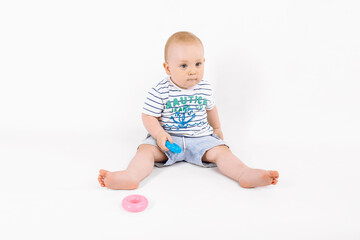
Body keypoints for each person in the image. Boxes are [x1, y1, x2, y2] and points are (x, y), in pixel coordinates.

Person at [98, 31, 279, 190]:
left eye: (198, 64)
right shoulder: (161, 90)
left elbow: (211, 109)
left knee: (223, 153)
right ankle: (131, 176)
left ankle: (243, 174)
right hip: (168, 140)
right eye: (184, 66)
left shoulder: (205, 88)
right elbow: (148, 116)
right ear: (168, 68)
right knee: (145, 151)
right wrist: (159, 135)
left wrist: (216, 129)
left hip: (201, 138)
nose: (193, 71)